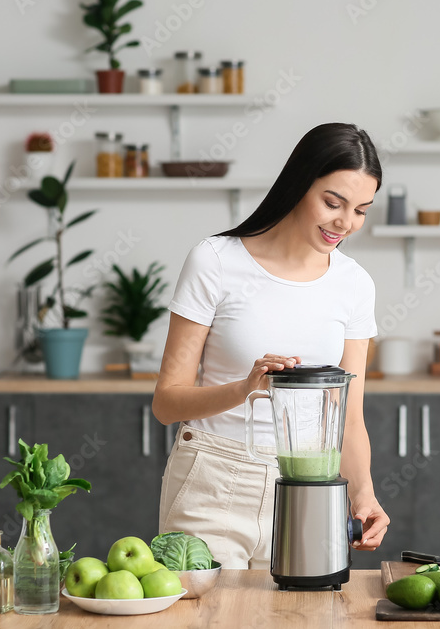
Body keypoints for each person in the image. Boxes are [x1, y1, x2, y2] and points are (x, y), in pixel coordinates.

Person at [152, 122, 390, 569]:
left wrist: (364, 494)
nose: (345, 222)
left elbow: (349, 417)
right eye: (333, 202)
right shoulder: (216, 261)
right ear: (299, 186)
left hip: (310, 487)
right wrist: (246, 388)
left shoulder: (354, 284)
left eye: (361, 210)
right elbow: (166, 403)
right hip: (213, 482)